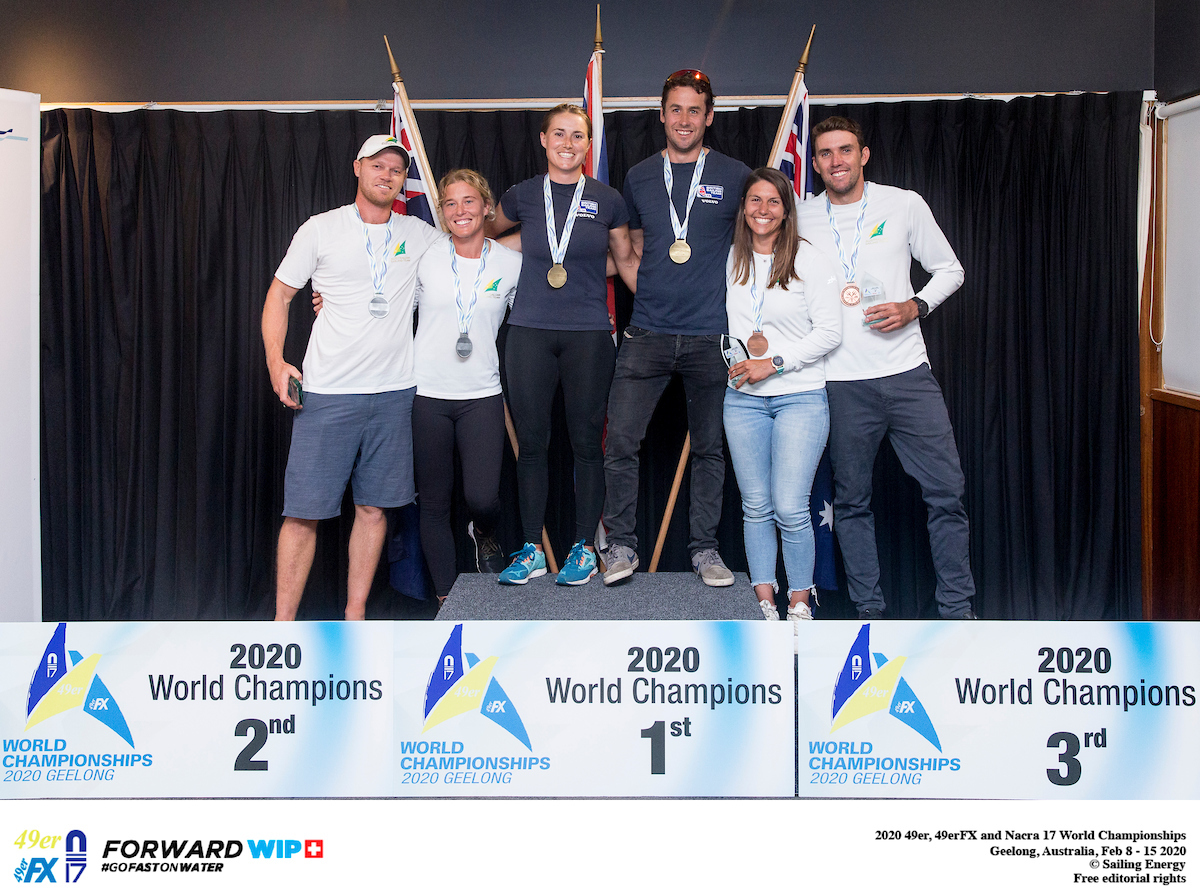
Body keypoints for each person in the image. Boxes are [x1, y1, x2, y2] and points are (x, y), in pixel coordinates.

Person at [798, 116, 977, 619]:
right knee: (852, 503)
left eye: (845, 150)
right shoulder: (800, 216)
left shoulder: (903, 204)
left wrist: (914, 306)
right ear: (815, 163)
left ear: (864, 155)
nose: (836, 161)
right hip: (839, 382)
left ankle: (958, 611)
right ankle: (870, 614)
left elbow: (951, 270)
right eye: (826, 153)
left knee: (947, 493)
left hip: (907, 374)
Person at [263, 134, 444, 620]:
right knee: (303, 513)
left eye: (396, 169)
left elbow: (471, 252)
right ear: (357, 167)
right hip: (328, 393)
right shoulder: (321, 229)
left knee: (374, 509)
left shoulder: (420, 234)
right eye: (377, 165)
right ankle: (281, 627)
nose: (387, 175)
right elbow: (279, 295)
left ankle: (355, 616)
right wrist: (277, 362)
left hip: (394, 396)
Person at [601, 69, 751, 587]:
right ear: (662, 115)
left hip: (712, 336)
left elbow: (754, 243)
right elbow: (634, 248)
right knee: (621, 442)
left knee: (710, 449)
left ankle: (705, 550)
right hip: (647, 333)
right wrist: (654, 293)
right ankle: (621, 546)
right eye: (676, 109)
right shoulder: (640, 175)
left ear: (709, 118)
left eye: (695, 110)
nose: (684, 119)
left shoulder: (735, 175)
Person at [487, 104, 639, 586]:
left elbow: (626, 262)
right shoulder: (522, 196)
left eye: (577, 136)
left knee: (586, 446)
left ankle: (583, 548)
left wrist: (669, 303)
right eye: (559, 134)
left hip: (589, 335)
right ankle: (531, 548)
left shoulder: (608, 199)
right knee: (532, 445)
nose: (568, 143)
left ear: (588, 144)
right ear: (543, 139)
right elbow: (481, 238)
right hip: (528, 332)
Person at [723, 168, 841, 621]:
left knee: (791, 507)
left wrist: (772, 363)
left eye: (774, 201)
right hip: (742, 400)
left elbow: (830, 333)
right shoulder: (732, 257)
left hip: (800, 398)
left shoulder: (808, 259)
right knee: (755, 507)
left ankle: (799, 603)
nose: (763, 209)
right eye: (755, 200)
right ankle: (764, 602)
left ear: (787, 210)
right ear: (743, 208)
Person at [411, 169, 521, 604]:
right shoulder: (426, 257)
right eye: (451, 203)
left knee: (482, 497)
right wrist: (329, 300)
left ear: (487, 207)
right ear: (442, 212)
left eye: (469, 201)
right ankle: (445, 599)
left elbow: (534, 317)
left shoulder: (510, 263)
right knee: (434, 504)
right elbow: (391, 307)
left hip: (481, 396)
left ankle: (485, 532)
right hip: (427, 395)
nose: (460, 211)